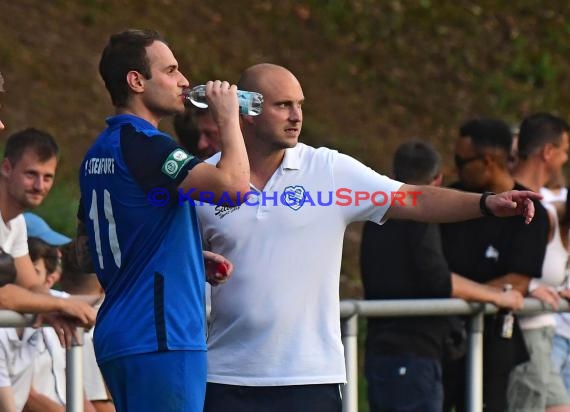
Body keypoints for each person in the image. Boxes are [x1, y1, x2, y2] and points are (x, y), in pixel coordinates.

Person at [195, 63, 541, 412]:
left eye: (300, 104)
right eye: (283, 105)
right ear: (247, 110)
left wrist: (485, 203)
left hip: (309, 378)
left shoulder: (328, 170)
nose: (296, 116)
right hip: (224, 376)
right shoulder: (205, 181)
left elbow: (415, 198)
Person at [77, 29, 249, 412]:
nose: (184, 81)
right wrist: (229, 120)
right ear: (137, 81)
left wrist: (183, 256)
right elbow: (235, 187)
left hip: (121, 334)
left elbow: (89, 250)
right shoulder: (146, 144)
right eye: (171, 70)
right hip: (161, 335)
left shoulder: (98, 151)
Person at [360, 139, 524, 412]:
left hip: (386, 351)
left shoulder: (374, 215)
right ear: (437, 180)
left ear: (391, 174)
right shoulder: (417, 219)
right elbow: (438, 279)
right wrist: (498, 296)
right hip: (411, 353)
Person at [440, 117, 550, 412]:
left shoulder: (529, 211)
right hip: (441, 343)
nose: (456, 169)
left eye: (461, 162)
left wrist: (456, 291)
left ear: (488, 161)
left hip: (492, 348)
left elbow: (518, 281)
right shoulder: (450, 202)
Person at [0, 114, 95, 347]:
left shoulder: (17, 223)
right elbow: (2, 293)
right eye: (31, 174)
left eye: (47, 177)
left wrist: (48, 308)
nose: (39, 186)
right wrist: (59, 305)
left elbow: (32, 285)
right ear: (6, 168)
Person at [508, 112, 570, 412]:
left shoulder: (549, 213)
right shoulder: (518, 205)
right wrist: (529, 287)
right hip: (522, 336)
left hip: (544, 332)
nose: (565, 159)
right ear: (548, 152)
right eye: (564, 151)